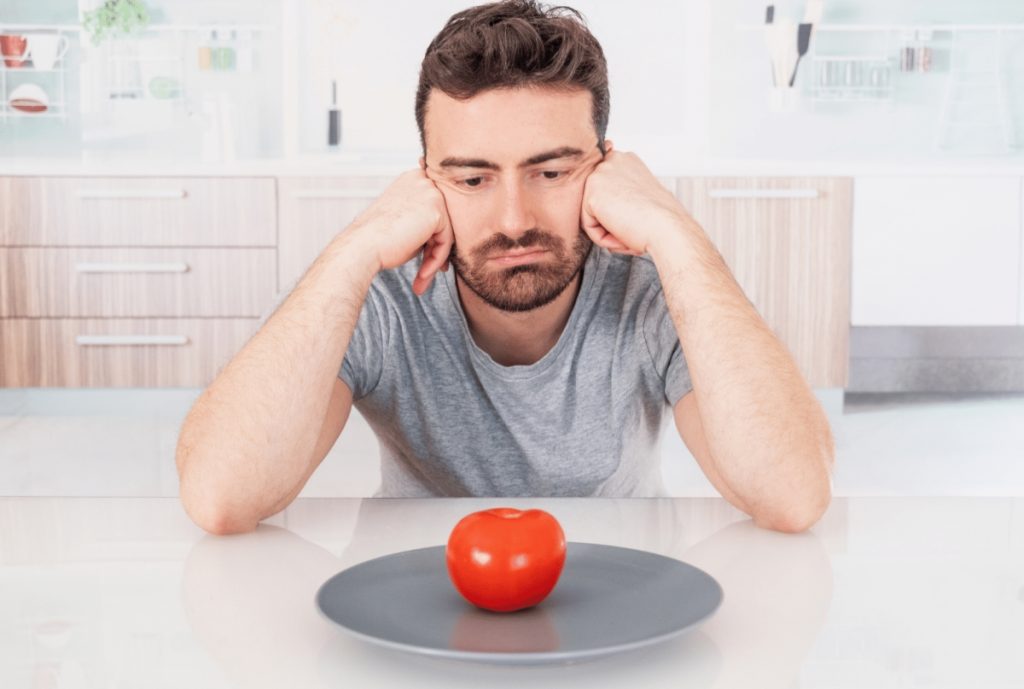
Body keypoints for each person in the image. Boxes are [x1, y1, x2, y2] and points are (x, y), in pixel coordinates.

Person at [175, 0, 834, 536]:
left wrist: (673, 228)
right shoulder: (382, 297)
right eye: (471, 177)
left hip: (623, 593)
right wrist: (357, 245)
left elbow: (794, 496)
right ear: (426, 180)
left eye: (551, 171)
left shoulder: (652, 287)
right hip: (424, 598)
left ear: (606, 167)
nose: (514, 218)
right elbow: (220, 497)